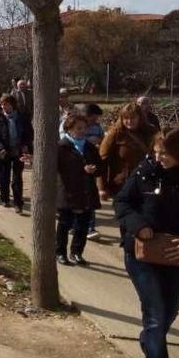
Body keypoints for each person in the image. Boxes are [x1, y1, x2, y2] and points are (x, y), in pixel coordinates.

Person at [114, 126, 179, 358]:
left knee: (170, 311)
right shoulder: (145, 170)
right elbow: (122, 201)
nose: (158, 157)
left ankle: (149, 341)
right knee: (155, 315)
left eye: (164, 153)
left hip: (176, 257)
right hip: (142, 255)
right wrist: (138, 226)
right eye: (155, 152)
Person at [56, 114, 103, 266]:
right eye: (79, 128)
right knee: (64, 224)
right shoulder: (62, 147)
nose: (83, 131)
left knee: (82, 226)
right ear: (69, 129)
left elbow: (101, 168)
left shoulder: (90, 147)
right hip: (68, 192)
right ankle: (60, 252)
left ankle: (76, 252)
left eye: (84, 128)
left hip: (86, 193)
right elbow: (57, 169)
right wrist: (82, 169)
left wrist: (94, 170)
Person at [99, 103, 158, 203]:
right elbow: (102, 160)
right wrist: (102, 187)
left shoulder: (151, 131)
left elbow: (159, 154)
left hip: (147, 182)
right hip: (123, 184)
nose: (129, 121)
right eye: (126, 118)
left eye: (133, 118)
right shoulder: (115, 133)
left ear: (140, 117)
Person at [0, 94, 33, 214]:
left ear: (12, 105)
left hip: (18, 151)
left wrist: (25, 144)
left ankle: (18, 203)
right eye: (2, 104)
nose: (4, 106)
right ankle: (5, 198)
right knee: (4, 176)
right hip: (4, 151)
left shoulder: (22, 117)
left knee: (17, 178)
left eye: (6, 104)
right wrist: (0, 149)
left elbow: (29, 133)